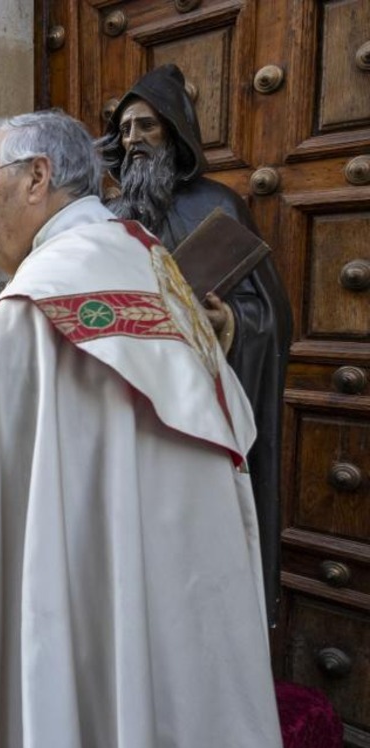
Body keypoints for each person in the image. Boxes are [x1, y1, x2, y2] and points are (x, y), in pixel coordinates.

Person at [0, 110, 287, 748]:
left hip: (87, 586)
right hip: (180, 593)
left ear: (37, 178)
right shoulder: (144, 261)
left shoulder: (35, 303)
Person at [98, 63, 292, 619]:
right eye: (125, 129)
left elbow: (271, 315)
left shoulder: (219, 205)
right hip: (131, 402)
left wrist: (226, 319)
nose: (133, 140)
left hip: (205, 403)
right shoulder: (109, 217)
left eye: (147, 127)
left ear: (175, 133)